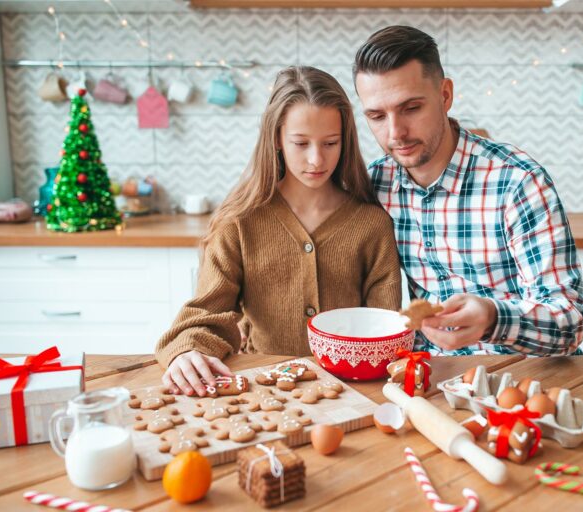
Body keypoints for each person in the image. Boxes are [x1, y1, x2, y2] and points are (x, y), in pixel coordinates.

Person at [155, 66, 402, 396]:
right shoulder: (239, 222)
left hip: (352, 393)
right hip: (262, 390)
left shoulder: (371, 224)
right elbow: (206, 314)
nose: (317, 159)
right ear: (276, 138)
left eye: (331, 142)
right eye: (301, 143)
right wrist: (186, 351)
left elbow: (384, 331)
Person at [353, 26, 583, 356]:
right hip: (434, 381)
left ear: (445, 95)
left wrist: (493, 319)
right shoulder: (377, 184)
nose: (396, 133)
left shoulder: (517, 182)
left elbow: (571, 323)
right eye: (377, 116)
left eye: (411, 108)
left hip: (525, 379)